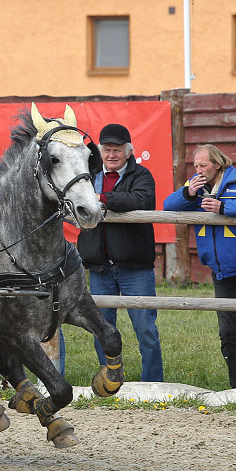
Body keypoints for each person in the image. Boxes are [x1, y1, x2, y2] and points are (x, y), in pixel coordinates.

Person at [164, 144, 236, 388]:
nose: (199, 170)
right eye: (195, 165)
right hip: (220, 271)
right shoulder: (196, 185)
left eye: (203, 165)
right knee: (226, 332)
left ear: (218, 164)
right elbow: (168, 206)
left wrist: (225, 208)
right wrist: (188, 195)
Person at [76, 123, 163, 382]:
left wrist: (102, 198)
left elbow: (141, 201)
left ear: (129, 151)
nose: (111, 154)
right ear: (100, 151)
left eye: (117, 149)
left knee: (145, 328)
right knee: (101, 329)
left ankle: (153, 382)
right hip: (100, 267)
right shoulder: (89, 175)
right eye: (107, 149)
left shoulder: (142, 175)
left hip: (135, 267)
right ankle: (111, 380)